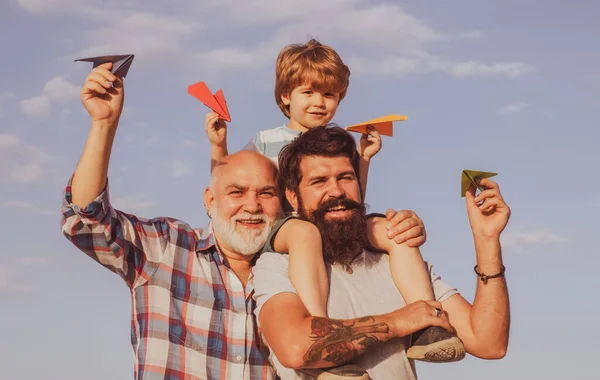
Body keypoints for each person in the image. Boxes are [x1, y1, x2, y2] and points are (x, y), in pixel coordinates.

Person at [60, 62, 426, 379]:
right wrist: (104, 123)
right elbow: (87, 221)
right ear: (210, 200)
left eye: (267, 193)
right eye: (237, 193)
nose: (252, 205)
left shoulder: (292, 277)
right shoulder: (167, 250)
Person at [204, 38, 464, 370]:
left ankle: (427, 322)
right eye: (308, 93)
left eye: (329, 95)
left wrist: (365, 160)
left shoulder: (338, 142)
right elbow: (227, 183)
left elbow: (348, 200)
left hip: (330, 226)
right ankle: (323, 338)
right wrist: (218, 145)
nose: (319, 102)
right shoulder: (268, 140)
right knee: (304, 234)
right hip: (287, 228)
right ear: (286, 95)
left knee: (387, 227)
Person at [253, 126, 511, 380]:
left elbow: (489, 343)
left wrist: (487, 239)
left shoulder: (397, 260)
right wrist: (400, 321)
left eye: (346, 177)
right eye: (319, 181)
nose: (337, 191)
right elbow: (295, 348)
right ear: (293, 197)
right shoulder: (277, 266)